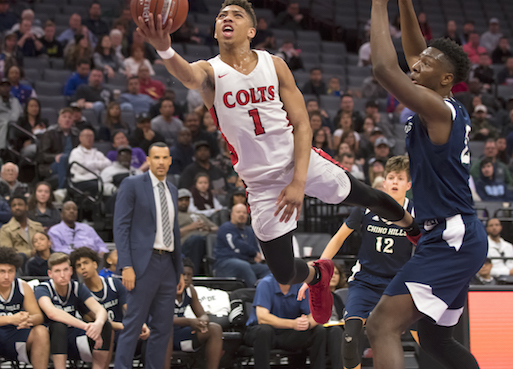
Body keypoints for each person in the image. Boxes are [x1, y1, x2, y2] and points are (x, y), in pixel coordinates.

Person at [135, 0, 421, 327]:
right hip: (261, 183)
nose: (227, 18)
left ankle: (414, 230)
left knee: (367, 196)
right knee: (284, 271)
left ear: (252, 31)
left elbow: (302, 124)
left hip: (299, 160)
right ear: (215, 30)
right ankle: (317, 275)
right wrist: (165, 49)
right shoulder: (210, 71)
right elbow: (186, 76)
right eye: (221, 15)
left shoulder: (274, 65)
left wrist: (298, 182)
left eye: (236, 15)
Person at [367, 1, 505, 369]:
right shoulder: (440, 98)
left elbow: (383, 69)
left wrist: (378, 5)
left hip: (452, 236)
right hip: (446, 235)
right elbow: (414, 52)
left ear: (445, 78)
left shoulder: (437, 109)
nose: (417, 63)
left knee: (381, 326)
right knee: (434, 338)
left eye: (426, 64)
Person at [300, 156, 414, 369]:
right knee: (350, 336)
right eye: (391, 177)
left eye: (400, 178)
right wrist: (317, 270)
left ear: (408, 184)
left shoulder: (416, 212)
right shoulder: (367, 207)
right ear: (384, 182)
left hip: (397, 284)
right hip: (365, 282)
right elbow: (339, 238)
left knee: (425, 337)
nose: (394, 182)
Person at [112, 142, 184, 369]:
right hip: (142, 264)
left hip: (168, 265)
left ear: (171, 160)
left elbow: (174, 232)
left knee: (163, 330)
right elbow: (120, 227)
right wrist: (126, 265)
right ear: (149, 160)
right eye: (156, 157)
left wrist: (180, 271)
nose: (161, 162)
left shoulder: (172, 190)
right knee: (132, 327)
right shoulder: (132, 185)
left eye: (165, 157)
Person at [34, 252, 113, 369]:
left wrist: (97, 324)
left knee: (106, 326)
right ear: (50, 274)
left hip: (74, 338)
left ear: (71, 271)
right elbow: (52, 313)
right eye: (57, 271)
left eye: (65, 270)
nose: (62, 275)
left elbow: (100, 310)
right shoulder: (42, 289)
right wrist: (86, 327)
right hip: (50, 343)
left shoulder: (77, 287)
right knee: (59, 324)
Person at [72, 246, 149, 369]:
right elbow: (95, 320)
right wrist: (126, 327)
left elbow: (129, 309)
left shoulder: (114, 284)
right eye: (78, 266)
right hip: (98, 337)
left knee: (149, 335)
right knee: (107, 330)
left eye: (85, 263)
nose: (82, 268)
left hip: (123, 333)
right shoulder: (80, 294)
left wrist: (141, 324)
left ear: (95, 264)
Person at [245, 273, 330, 369]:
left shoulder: (301, 286)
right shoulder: (266, 283)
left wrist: (306, 323)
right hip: (259, 332)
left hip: (288, 333)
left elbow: (315, 316)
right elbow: (262, 317)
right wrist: (293, 324)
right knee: (264, 330)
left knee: (318, 331)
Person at [162, 259, 227, 369]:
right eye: (182, 274)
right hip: (159, 336)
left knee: (214, 328)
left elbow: (203, 314)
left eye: (189, 275)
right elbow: (161, 320)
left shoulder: (190, 291)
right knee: (165, 330)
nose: (186, 278)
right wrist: (189, 322)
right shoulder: (164, 289)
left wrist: (202, 322)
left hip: (179, 335)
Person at [213, 203, 270, 287]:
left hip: (247, 262)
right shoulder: (225, 228)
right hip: (225, 262)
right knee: (244, 266)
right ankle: (253, 292)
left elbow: (255, 248)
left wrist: (256, 254)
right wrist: (254, 253)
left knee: (266, 269)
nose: (241, 215)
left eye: (244, 213)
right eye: (238, 212)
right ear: (232, 214)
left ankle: (266, 290)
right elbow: (237, 244)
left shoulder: (249, 230)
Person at [177, 188, 218, 275]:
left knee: (214, 239)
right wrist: (191, 227)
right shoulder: (174, 215)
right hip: (185, 244)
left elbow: (217, 229)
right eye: (181, 200)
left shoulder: (198, 215)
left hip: (205, 240)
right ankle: (194, 275)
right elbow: (173, 235)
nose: (184, 202)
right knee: (197, 239)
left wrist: (208, 228)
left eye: (186, 200)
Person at [37, 107, 80, 185]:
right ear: (59, 120)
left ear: (72, 121)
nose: (67, 119)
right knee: (63, 158)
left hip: (72, 164)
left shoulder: (76, 134)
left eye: (70, 117)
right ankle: (62, 189)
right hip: (51, 165)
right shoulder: (50, 133)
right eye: (64, 117)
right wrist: (55, 157)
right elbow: (43, 155)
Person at [68, 128, 112, 197]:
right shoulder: (76, 152)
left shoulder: (97, 153)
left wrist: (90, 164)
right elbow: (81, 169)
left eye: (91, 136)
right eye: (86, 136)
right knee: (101, 187)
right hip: (81, 182)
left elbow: (109, 164)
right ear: (80, 138)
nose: (89, 138)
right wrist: (99, 165)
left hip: (97, 180)